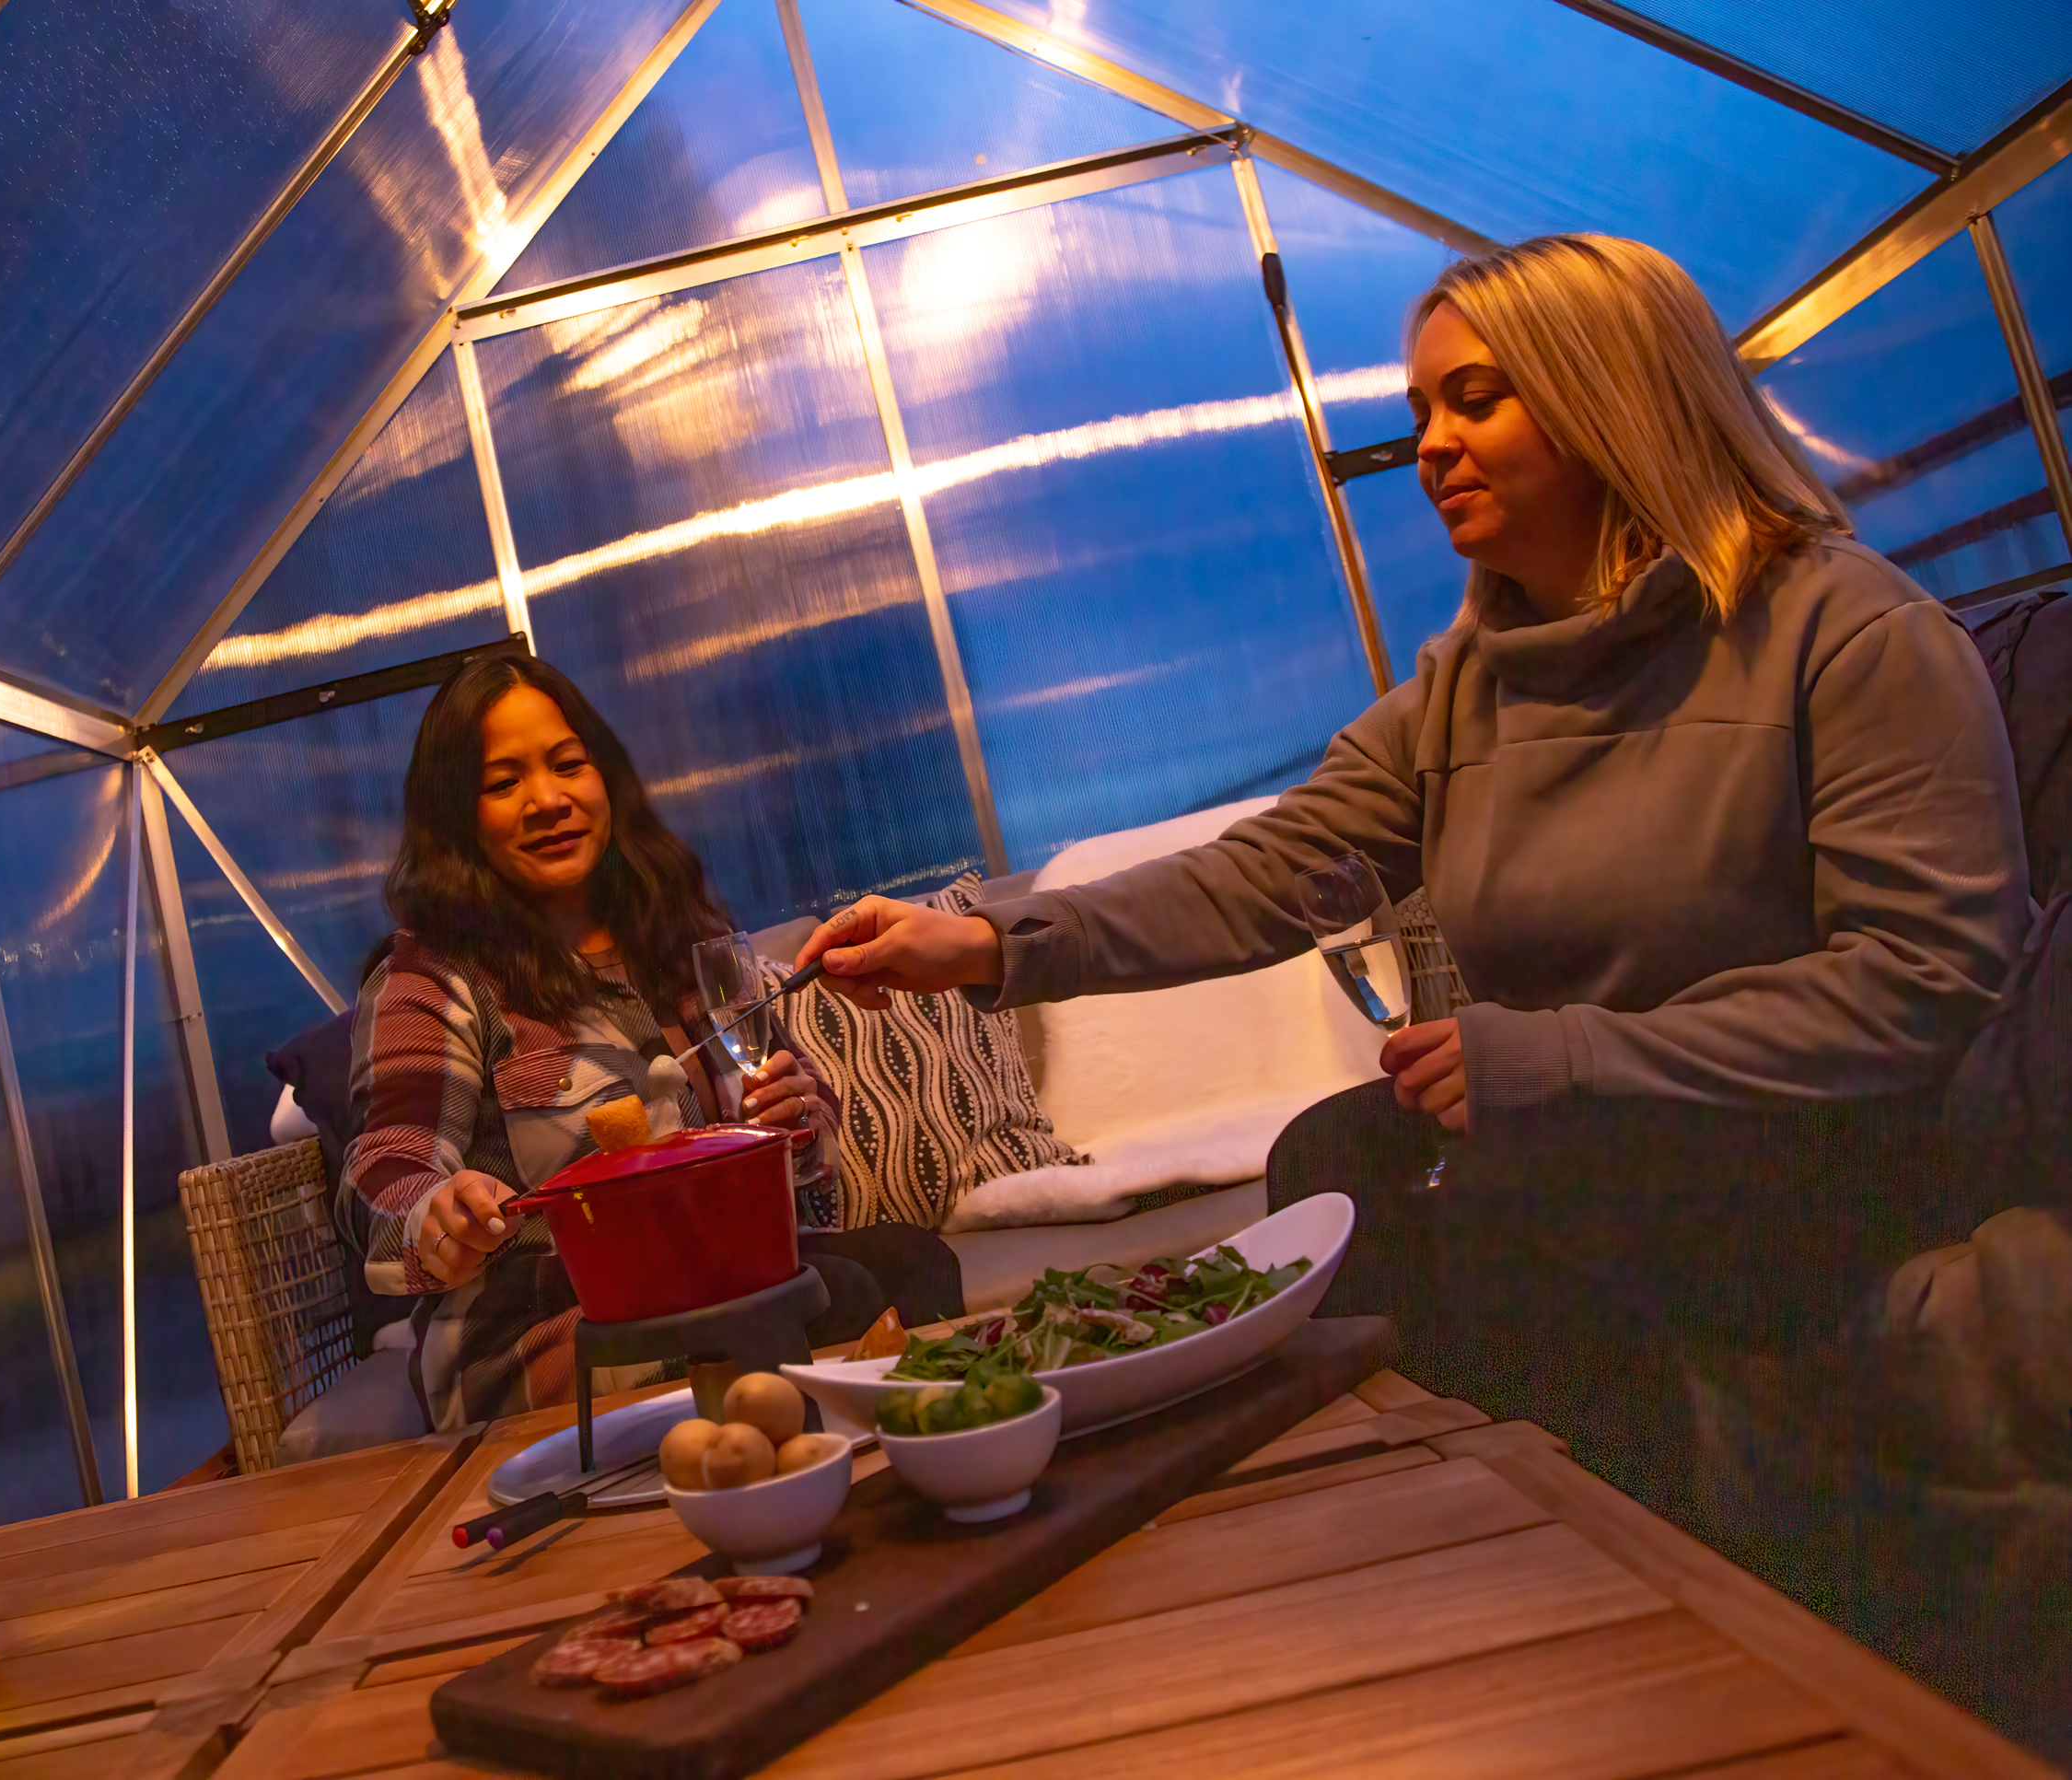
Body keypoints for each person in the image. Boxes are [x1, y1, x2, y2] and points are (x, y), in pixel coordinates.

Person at [794, 234, 2031, 1521]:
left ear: (1613, 390)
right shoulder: (1464, 694)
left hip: (1803, 1162)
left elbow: (1924, 981)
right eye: (1422, 410)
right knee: (1338, 1155)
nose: (1430, 444)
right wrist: (988, 946)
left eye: (1477, 398)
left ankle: (1618, 1589)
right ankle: (1453, 1567)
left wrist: (1560, 1061)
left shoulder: (1848, 633)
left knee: (1451, 1204)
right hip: (1582, 1160)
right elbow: (1262, 876)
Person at [345, 652, 961, 1428]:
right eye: (502, 784)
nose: (547, 799)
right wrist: (438, 1213)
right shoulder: (436, 972)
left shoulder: (679, 938)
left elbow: (798, 1124)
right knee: (830, 1302)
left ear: (606, 776)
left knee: (910, 1257)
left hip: (707, 1286)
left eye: (568, 764)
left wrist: (797, 1125)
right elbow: (388, 1161)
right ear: (456, 819)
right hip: (552, 1335)